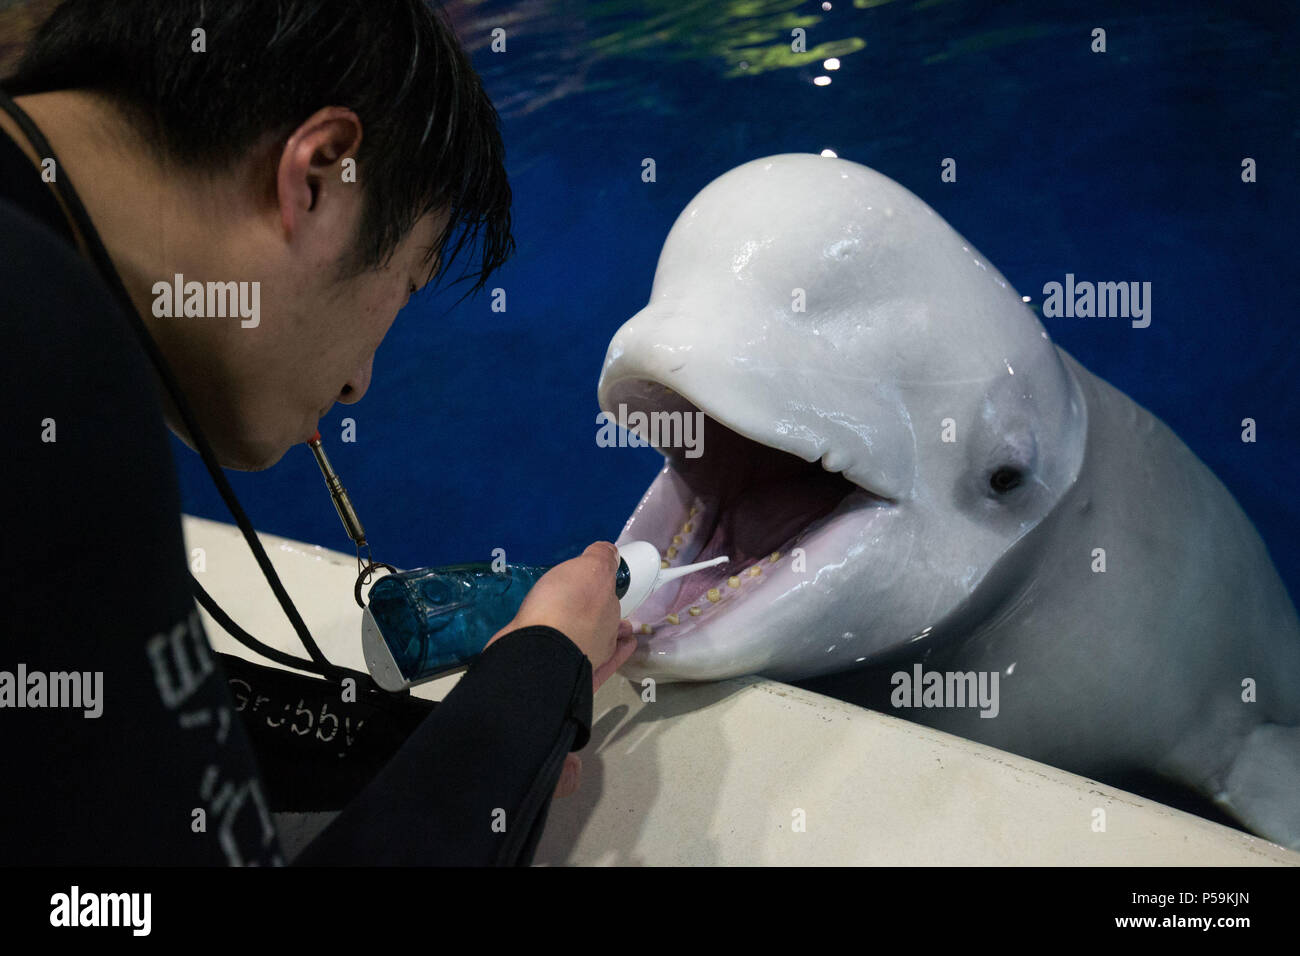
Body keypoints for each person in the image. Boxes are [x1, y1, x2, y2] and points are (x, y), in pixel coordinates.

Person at [0, 0, 635, 865]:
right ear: (319, 175)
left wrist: (399, 745)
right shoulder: (46, 347)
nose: (356, 383)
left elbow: (121, 721)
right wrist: (532, 686)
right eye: (405, 287)